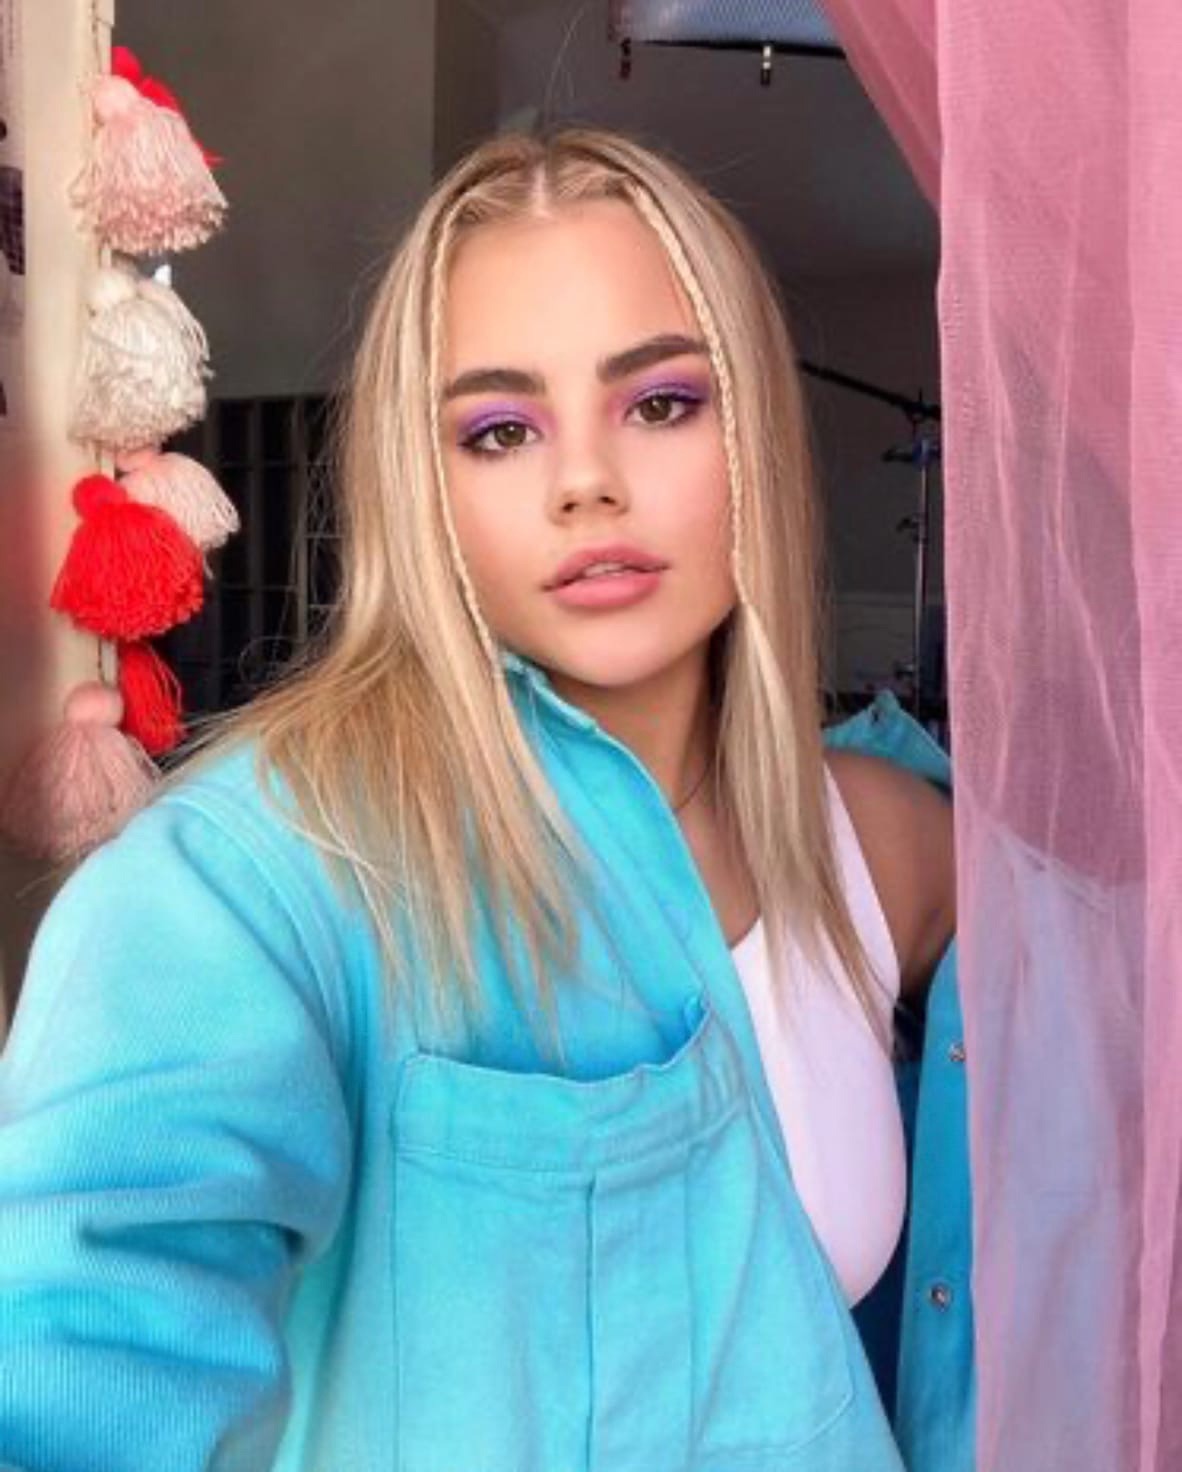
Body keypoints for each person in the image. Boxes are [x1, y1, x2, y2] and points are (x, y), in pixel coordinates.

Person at [0, 128, 956, 1471]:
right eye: (500, 431)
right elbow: (78, 1330)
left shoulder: (880, 844)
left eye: (662, 404)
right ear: (423, 485)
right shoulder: (259, 884)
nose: (586, 482)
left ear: (757, 433)